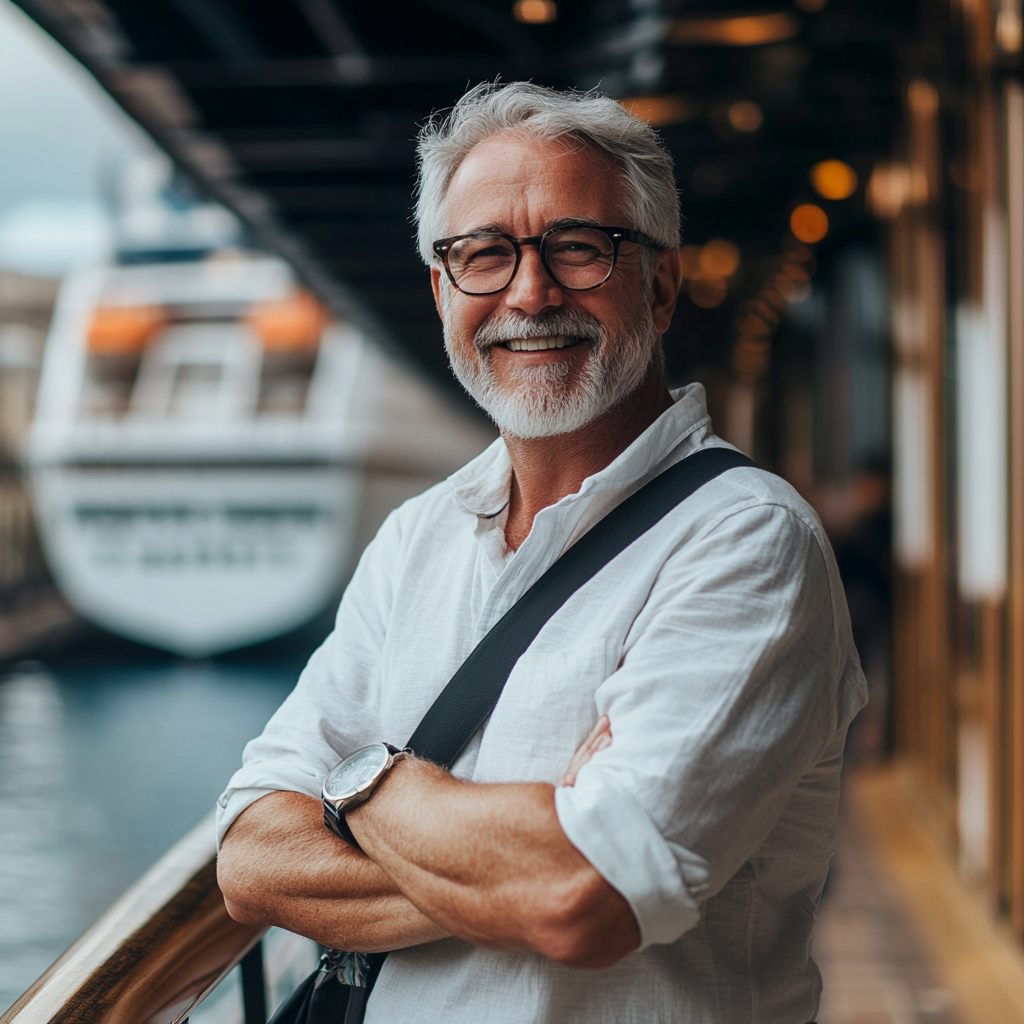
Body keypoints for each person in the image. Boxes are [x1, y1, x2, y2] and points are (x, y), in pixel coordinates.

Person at [216, 81, 866, 1023]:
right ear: (443, 292)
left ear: (661, 283)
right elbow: (249, 860)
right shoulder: (416, 539)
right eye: (484, 254)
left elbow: (582, 899)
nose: (529, 293)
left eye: (577, 247)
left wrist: (357, 781)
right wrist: (511, 863)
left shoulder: (748, 540)